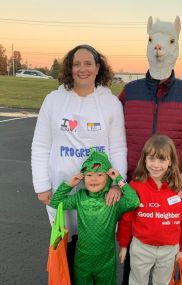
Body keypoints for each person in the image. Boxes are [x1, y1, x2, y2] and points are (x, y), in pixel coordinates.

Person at [119, 16, 182, 284]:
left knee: (163, 266)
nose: (159, 47)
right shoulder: (129, 92)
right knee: (132, 257)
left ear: (176, 45)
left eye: (168, 41)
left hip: (169, 188)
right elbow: (112, 135)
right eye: (153, 41)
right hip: (134, 188)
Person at [31, 44, 127, 283]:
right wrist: (41, 184)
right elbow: (41, 144)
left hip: (99, 192)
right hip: (61, 187)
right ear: (69, 68)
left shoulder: (111, 103)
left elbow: (117, 148)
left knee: (94, 244)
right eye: (76, 64)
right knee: (65, 246)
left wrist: (117, 184)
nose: (82, 69)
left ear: (98, 68)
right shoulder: (53, 100)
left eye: (88, 63)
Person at [50, 150, 140, 285]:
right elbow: (55, 202)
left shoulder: (113, 200)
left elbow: (134, 202)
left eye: (99, 174)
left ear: (108, 177)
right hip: (83, 259)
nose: (93, 178)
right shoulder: (80, 198)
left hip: (106, 260)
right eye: (89, 174)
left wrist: (119, 180)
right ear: (83, 178)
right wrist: (69, 185)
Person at [117, 134, 182, 285]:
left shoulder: (179, 189)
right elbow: (126, 219)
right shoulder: (135, 186)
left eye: (162, 159)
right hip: (141, 247)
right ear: (144, 159)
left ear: (170, 161)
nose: (156, 165)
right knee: (137, 282)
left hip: (169, 250)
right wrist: (124, 245)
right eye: (151, 158)